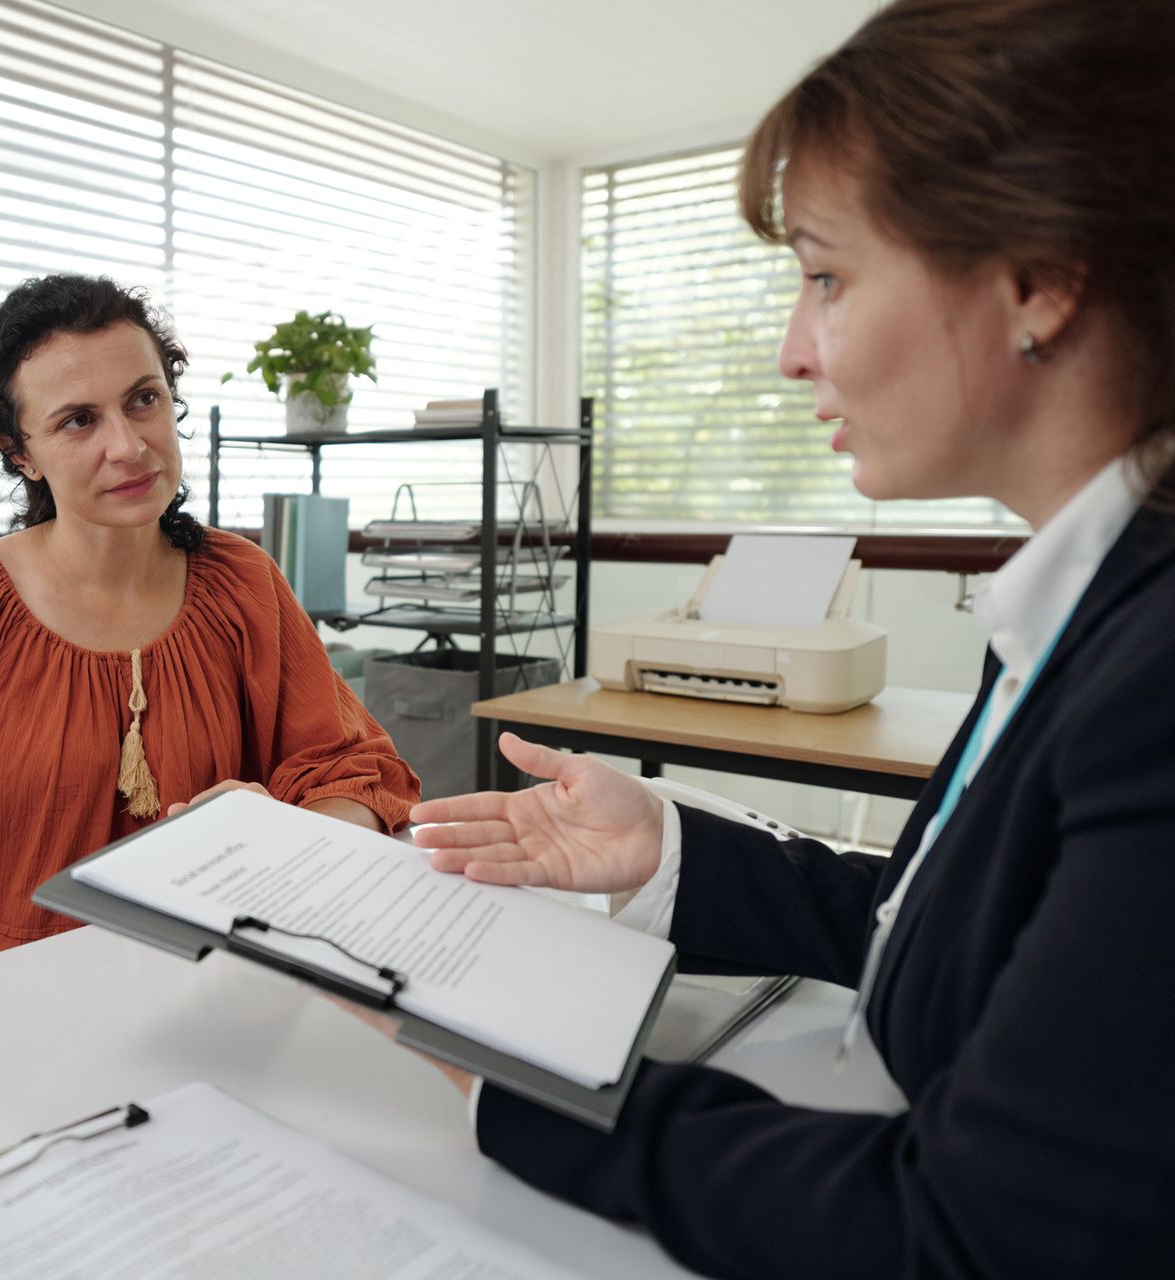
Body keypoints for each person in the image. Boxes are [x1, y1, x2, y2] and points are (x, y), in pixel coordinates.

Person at [387, 1, 1175, 1275]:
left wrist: (522, 1082)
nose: (789, 350)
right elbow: (974, 933)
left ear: (1038, 276)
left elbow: (972, 1235)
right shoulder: (1071, 606)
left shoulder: (1152, 673)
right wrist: (662, 847)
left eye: (826, 275)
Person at [0, 274, 419, 991]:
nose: (128, 446)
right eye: (78, 420)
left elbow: (358, 776)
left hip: (217, 994)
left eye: (143, 400)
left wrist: (278, 828)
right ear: (19, 450)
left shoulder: (244, 582)